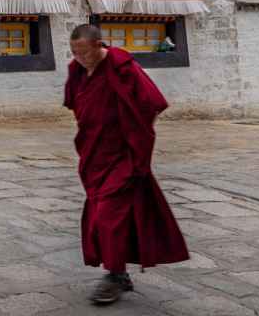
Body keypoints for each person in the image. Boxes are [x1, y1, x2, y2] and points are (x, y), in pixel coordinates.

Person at [65, 23, 188, 306]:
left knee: (108, 215)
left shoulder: (123, 67)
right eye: (74, 53)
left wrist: (137, 143)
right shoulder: (76, 70)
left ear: (99, 45)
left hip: (123, 157)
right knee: (104, 214)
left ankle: (115, 276)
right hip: (94, 155)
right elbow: (77, 104)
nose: (79, 58)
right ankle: (119, 273)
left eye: (84, 52)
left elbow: (153, 103)